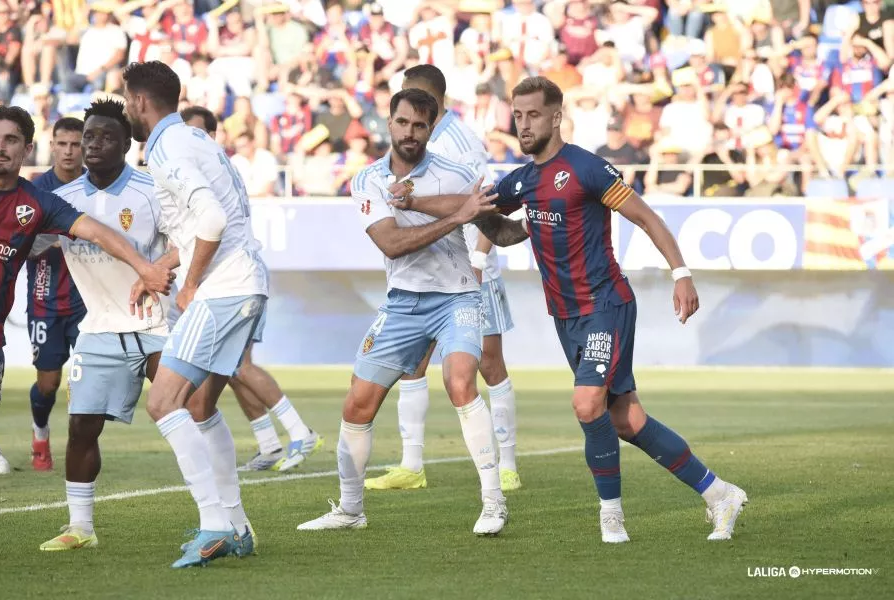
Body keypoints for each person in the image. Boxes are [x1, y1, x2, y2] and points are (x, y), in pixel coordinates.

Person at [391, 76, 748, 544]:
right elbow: (475, 209)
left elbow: (646, 217)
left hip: (606, 304)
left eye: (533, 114)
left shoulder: (587, 169)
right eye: (517, 115)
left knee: (585, 404)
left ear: (556, 116)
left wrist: (681, 274)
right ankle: (720, 494)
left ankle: (611, 519)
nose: (523, 124)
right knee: (627, 420)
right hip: (565, 315)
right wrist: (414, 200)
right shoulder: (524, 180)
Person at [296, 88, 507, 536]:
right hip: (403, 303)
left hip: (458, 297)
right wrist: (457, 216)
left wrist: (529, 218)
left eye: (420, 125)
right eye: (403, 122)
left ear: (432, 128)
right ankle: (351, 510)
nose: (410, 132)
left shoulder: (455, 174)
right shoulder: (367, 180)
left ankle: (494, 502)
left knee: (460, 381)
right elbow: (391, 242)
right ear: (388, 123)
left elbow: (497, 223)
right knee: (358, 402)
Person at [122, 61, 267, 568]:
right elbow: (198, 225)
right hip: (246, 281)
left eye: (126, 101)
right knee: (199, 407)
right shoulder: (198, 139)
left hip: (222, 289)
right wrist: (160, 267)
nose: (126, 109)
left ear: (139, 102)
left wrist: (189, 285)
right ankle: (237, 526)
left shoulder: (167, 147)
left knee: (163, 402)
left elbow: (212, 218)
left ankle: (214, 525)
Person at [364, 64, 522, 493]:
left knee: (487, 364)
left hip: (470, 269)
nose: (412, 116)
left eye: (420, 104)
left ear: (437, 105)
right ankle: (411, 464)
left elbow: (486, 204)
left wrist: (476, 258)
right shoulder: (407, 145)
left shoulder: (460, 141)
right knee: (412, 365)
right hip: (421, 271)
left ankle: (506, 464)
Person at [0, 106, 173, 476]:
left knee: (180, 406)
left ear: (27, 148)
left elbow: (98, 233)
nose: (0, 147)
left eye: (10, 140)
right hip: (53, 305)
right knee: (56, 394)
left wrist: (147, 269)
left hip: (113, 315)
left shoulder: (42, 203)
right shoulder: (58, 194)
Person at [38, 99, 169, 551]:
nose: (93, 145)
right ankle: (81, 529)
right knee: (80, 428)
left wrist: (164, 272)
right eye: (88, 135)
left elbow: (188, 244)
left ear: (128, 144)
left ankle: (223, 516)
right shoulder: (62, 200)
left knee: (188, 415)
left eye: (105, 137)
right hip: (99, 327)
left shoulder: (153, 191)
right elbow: (27, 243)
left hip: (159, 325)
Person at [179, 105, 323, 472]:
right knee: (228, 368)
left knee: (239, 366)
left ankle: (299, 430)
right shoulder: (208, 171)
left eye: (196, 133)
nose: (188, 140)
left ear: (212, 137)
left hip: (235, 278)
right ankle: (269, 443)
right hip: (226, 278)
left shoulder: (211, 175)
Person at [26, 116, 87, 472]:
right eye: (62, 144)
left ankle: (80, 447)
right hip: (44, 300)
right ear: (52, 146)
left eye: (75, 144)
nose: (68, 151)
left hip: (87, 302)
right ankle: (40, 431)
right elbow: (24, 244)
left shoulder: (95, 185)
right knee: (48, 384)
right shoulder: (36, 188)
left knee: (87, 379)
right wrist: (64, 232)